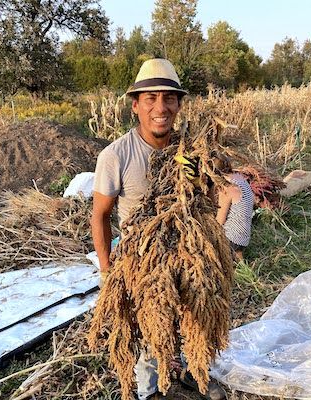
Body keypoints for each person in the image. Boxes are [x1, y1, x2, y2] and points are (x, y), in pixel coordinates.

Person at [91, 59, 226, 400]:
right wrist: (108, 271)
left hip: (187, 252)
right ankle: (151, 391)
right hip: (143, 260)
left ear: (179, 104)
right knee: (153, 335)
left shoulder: (189, 152)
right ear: (136, 105)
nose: (160, 108)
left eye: (168, 98)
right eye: (150, 98)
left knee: (198, 318)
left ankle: (190, 372)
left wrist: (197, 179)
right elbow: (100, 216)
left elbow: (201, 200)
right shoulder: (116, 155)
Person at [210, 154, 254, 261]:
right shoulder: (238, 178)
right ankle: (240, 261)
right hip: (244, 236)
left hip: (232, 238)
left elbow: (220, 221)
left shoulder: (227, 188)